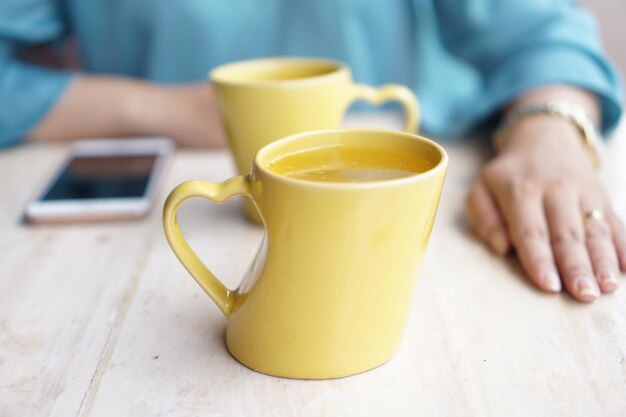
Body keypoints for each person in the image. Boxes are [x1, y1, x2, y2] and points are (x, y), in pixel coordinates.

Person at [1, 1, 624, 303]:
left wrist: (551, 130)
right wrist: (162, 109)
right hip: (120, 245)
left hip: (416, 228)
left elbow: (545, 35)